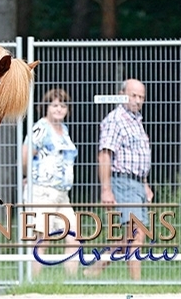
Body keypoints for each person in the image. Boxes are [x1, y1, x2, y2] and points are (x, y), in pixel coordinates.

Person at [84, 79, 153, 280]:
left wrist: (145, 185)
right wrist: (106, 189)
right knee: (136, 232)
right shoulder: (115, 119)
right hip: (122, 182)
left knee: (129, 237)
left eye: (141, 97)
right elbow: (104, 154)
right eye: (134, 95)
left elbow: (138, 156)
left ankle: (92, 272)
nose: (138, 100)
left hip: (138, 183)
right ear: (122, 94)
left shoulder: (136, 121)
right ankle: (136, 284)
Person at [22, 88, 79, 277]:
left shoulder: (65, 130)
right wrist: (26, 176)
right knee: (41, 237)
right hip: (42, 190)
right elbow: (26, 154)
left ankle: (72, 281)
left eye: (63, 105)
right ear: (46, 107)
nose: (59, 109)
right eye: (54, 105)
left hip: (62, 192)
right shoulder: (41, 127)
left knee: (73, 236)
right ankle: (32, 280)